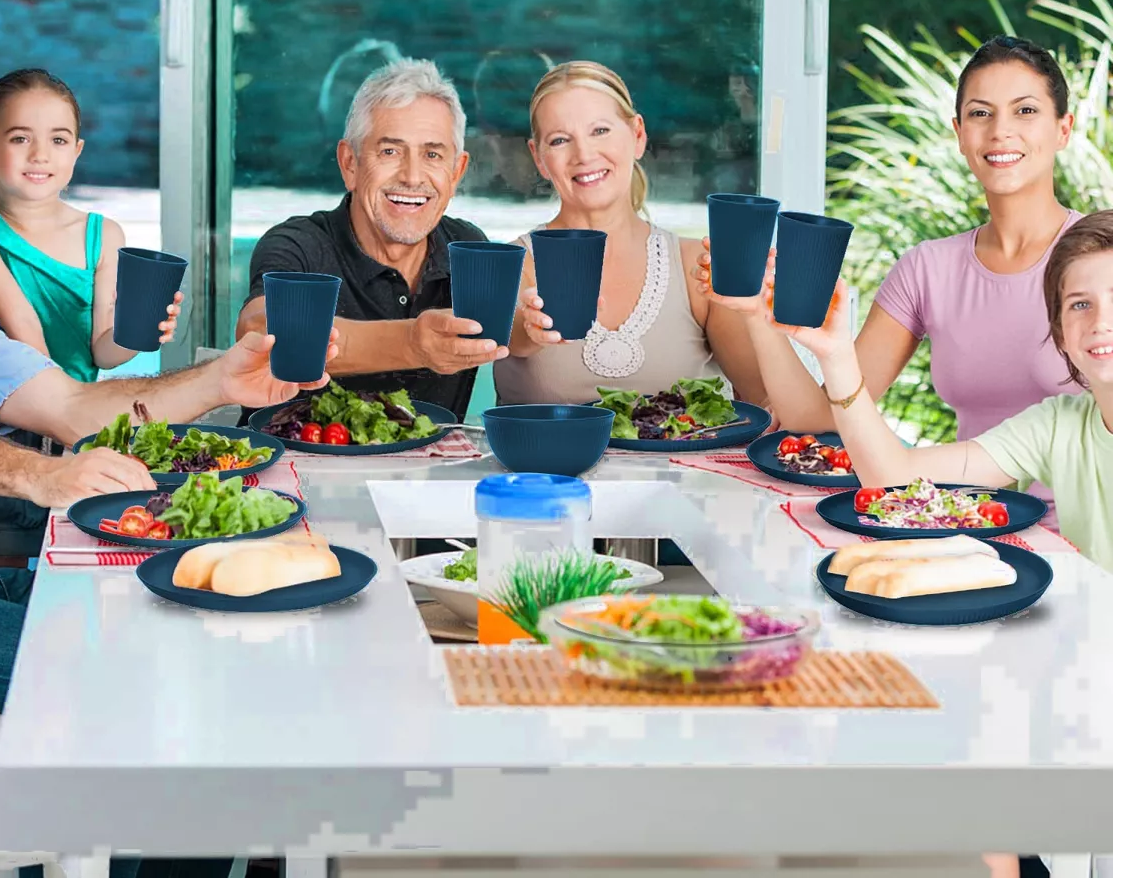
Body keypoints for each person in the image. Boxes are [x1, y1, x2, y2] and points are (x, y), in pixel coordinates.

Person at [0, 29, 339, 878]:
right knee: (135, 695)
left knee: (225, 675)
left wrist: (222, 378)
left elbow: (73, 405)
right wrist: (36, 475)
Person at [759, 208, 1112, 878]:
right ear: (1060, 334)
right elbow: (895, 484)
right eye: (1080, 303)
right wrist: (837, 360)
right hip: (1085, 678)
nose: (1101, 321)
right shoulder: (1060, 423)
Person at [697, 35, 1084, 525]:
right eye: (981, 114)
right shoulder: (929, 269)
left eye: (1025, 111)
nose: (1000, 132)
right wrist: (755, 313)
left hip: (1090, 537)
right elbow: (820, 417)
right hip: (967, 524)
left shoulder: (1103, 261)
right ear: (960, 132)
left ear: (1063, 128)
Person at [0, 67, 181, 563]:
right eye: (19, 138)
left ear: (77, 151)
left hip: (81, 421)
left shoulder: (104, 233)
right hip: (5, 424)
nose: (40, 155)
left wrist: (141, 332)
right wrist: (71, 420)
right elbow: (22, 328)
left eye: (57, 139)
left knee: (87, 553)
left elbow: (104, 350)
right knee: (3, 555)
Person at [236, 58, 507, 421]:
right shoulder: (298, 244)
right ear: (350, 163)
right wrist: (412, 342)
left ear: (456, 171)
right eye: (390, 151)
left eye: (432, 154)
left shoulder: (466, 246)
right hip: (294, 471)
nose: (412, 176)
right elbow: (259, 333)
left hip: (423, 474)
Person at [494, 60, 766, 407]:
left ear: (638, 135)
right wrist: (532, 332)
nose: (584, 154)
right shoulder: (510, 265)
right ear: (540, 158)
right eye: (561, 140)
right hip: (542, 465)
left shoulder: (698, 265)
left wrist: (760, 309)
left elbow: (769, 402)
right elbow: (512, 336)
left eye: (600, 131)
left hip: (684, 463)